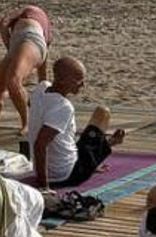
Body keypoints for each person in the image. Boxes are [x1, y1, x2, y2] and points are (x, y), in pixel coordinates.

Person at [26, 58, 125, 191]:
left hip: (59, 162)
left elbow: (30, 104)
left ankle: (97, 155)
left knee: (80, 142)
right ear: (63, 80)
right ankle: (110, 143)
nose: (83, 85)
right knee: (103, 112)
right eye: (79, 80)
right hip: (68, 174)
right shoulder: (63, 106)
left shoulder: (40, 88)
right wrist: (44, 186)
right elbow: (40, 145)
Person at [0, 3, 53, 128]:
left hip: (29, 39)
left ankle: (27, 122)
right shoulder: (38, 22)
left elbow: (3, 23)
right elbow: (43, 61)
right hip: (20, 44)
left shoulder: (30, 11)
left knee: (13, 81)